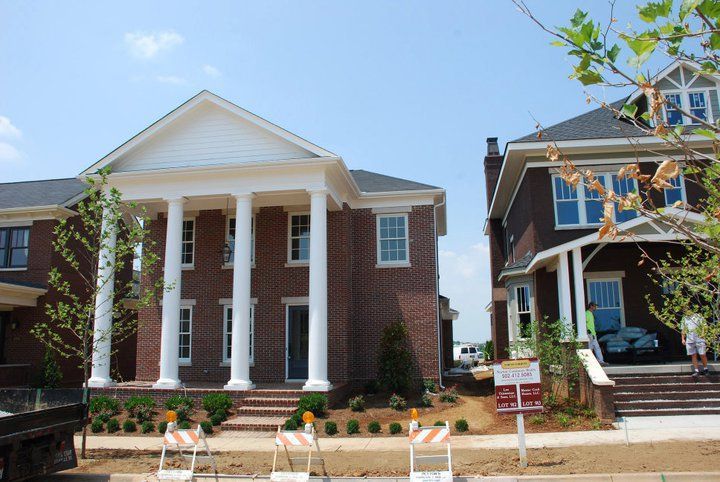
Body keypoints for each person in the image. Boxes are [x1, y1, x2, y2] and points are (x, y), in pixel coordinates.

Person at [681, 310, 709, 378]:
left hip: (700, 338)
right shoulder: (684, 318)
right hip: (690, 339)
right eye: (684, 310)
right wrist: (683, 339)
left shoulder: (699, 316)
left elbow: (704, 326)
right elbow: (683, 329)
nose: (685, 311)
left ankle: (705, 369)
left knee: (702, 354)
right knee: (693, 355)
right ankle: (696, 371)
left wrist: (703, 334)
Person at [586, 302, 607, 366]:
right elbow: (584, 322)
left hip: (593, 334)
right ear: (591, 306)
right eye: (595, 306)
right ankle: (589, 362)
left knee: (597, 347)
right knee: (590, 347)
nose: (596, 308)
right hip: (589, 334)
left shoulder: (591, 314)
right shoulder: (586, 313)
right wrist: (588, 330)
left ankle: (601, 361)